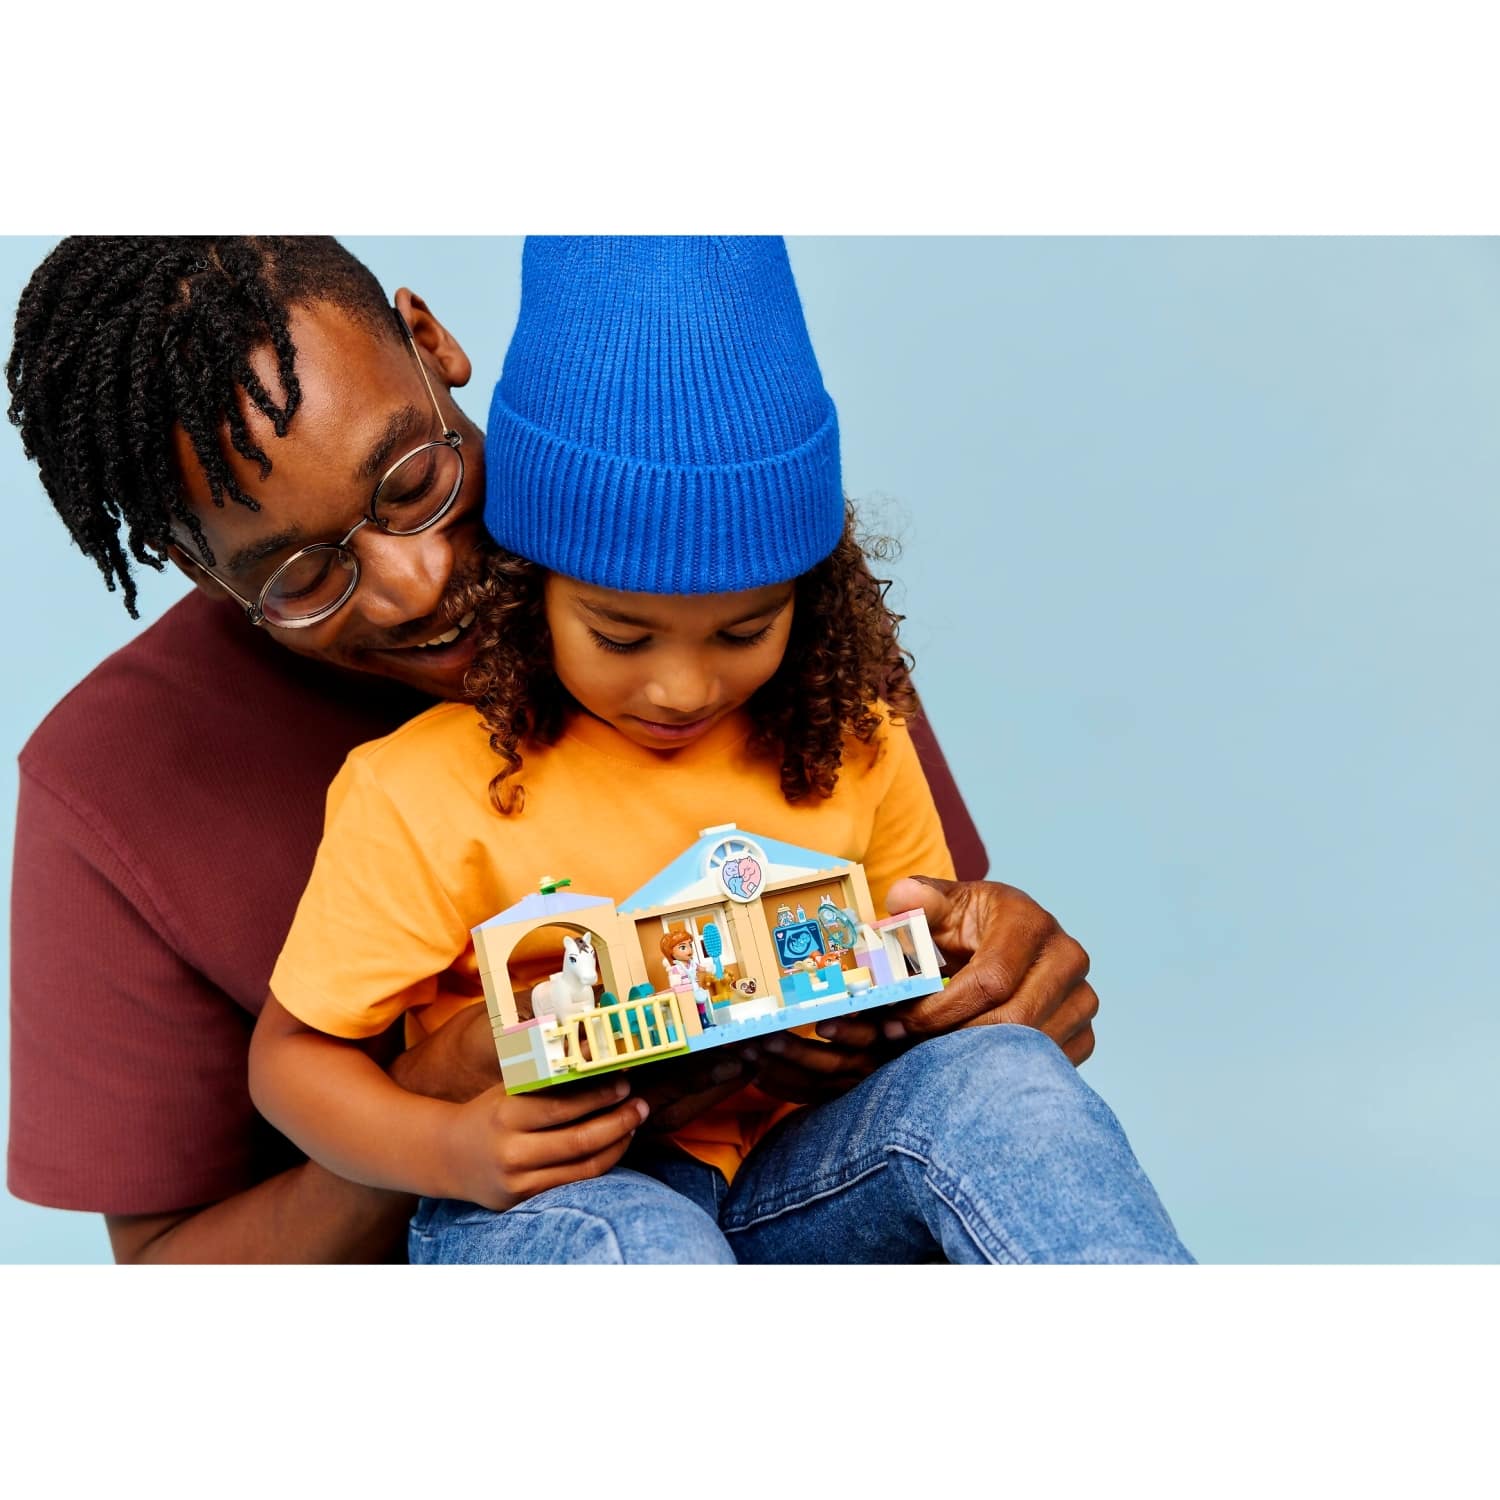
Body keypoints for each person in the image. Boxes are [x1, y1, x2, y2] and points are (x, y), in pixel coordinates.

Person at [5, 235, 1101, 1264]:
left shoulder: (709, 540)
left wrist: (981, 989)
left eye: (414, 482)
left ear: (431, 345)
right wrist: (437, 1119)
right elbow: (173, 1269)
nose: (417, 584)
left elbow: (914, 941)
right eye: (303, 576)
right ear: (199, 569)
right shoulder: (112, 787)